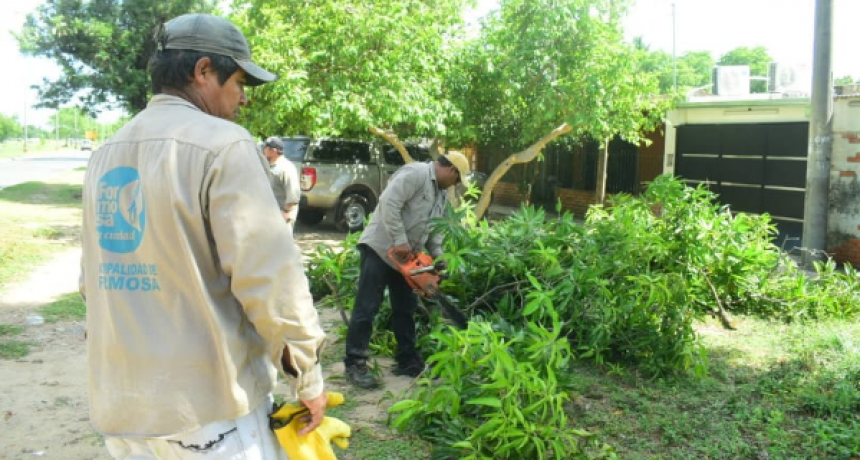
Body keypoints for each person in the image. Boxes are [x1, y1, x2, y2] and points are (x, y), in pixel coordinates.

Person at [78, 13, 327, 459]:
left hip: (123, 411)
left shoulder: (106, 153)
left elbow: (90, 282)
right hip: (206, 415)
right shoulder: (224, 145)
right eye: (239, 83)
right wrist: (307, 376)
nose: (243, 99)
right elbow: (269, 279)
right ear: (204, 71)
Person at [343, 152, 471, 389]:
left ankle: (407, 359)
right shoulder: (416, 174)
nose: (455, 185)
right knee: (367, 306)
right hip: (381, 248)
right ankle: (355, 363)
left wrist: (438, 255)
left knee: (406, 309)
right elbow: (389, 204)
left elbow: (434, 229)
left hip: (407, 259)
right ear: (452, 170)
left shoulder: (441, 195)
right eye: (457, 180)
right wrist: (399, 240)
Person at [262, 136, 301, 227]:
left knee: (282, 241)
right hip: (271, 215)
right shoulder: (269, 166)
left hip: (283, 216)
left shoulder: (286, 168)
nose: (263, 151)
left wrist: (286, 212)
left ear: (273, 151)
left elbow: (293, 195)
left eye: (265, 148)